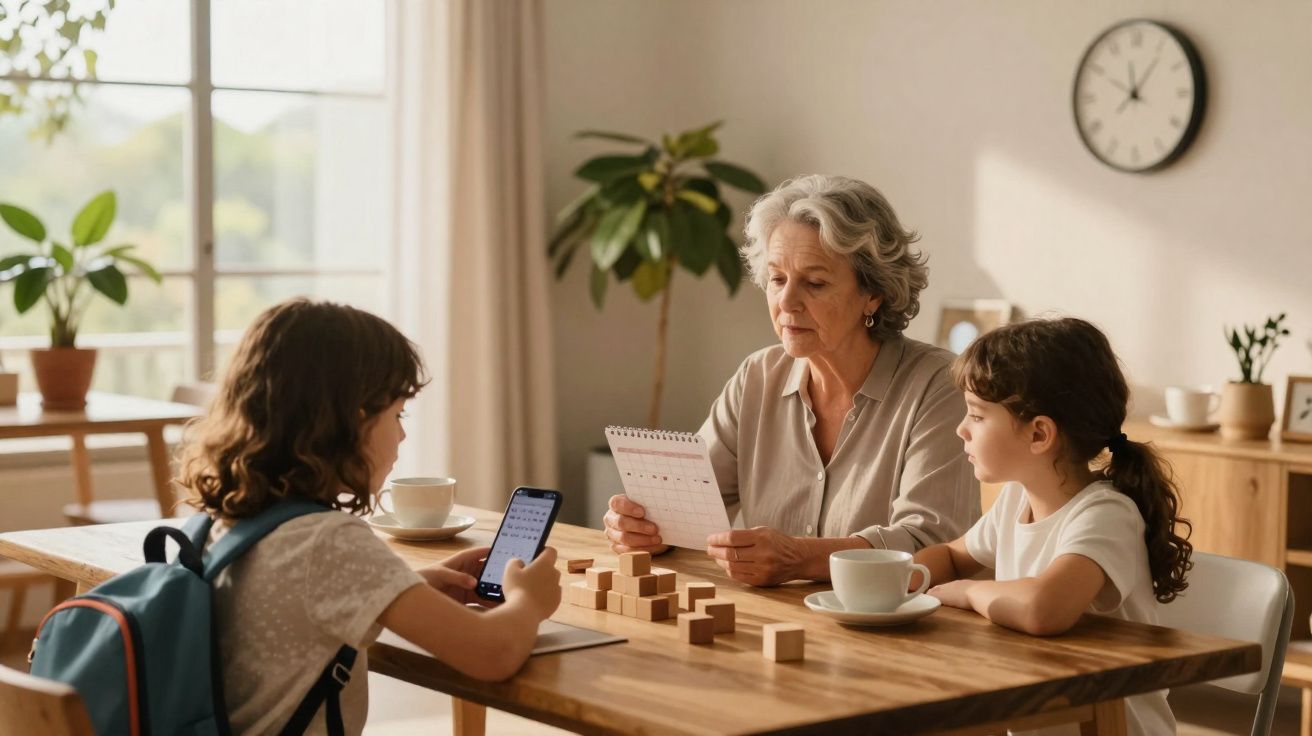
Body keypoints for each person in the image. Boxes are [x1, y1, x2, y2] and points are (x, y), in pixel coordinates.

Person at [176, 299, 561, 735]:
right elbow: (492, 653)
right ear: (349, 421)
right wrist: (530, 600)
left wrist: (408, 588)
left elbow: (301, 607)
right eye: (396, 414)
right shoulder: (328, 542)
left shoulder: (225, 521)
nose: (402, 433)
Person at [604, 174, 980, 586]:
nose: (786, 302)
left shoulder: (940, 386)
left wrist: (802, 558)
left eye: (815, 283)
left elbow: (931, 543)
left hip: (905, 633)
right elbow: (688, 507)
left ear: (874, 294)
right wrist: (644, 527)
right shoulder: (757, 377)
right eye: (777, 279)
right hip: (772, 626)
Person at [915, 317, 1193, 735]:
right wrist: (901, 576)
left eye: (976, 416)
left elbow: (1044, 608)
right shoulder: (1015, 500)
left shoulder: (1105, 515)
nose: (961, 429)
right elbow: (953, 557)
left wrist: (968, 591)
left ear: (1040, 434)